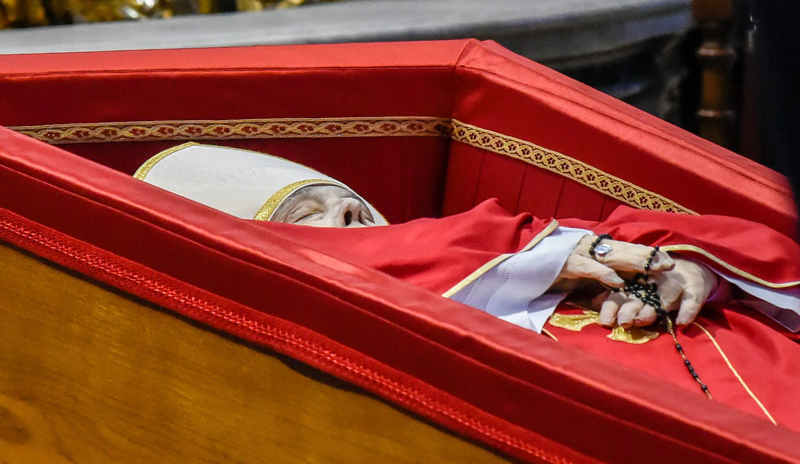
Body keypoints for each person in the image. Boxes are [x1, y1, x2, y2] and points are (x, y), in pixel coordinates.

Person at [135, 142, 800, 430]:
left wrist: (695, 273)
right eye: (306, 222)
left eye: (336, 199)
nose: (341, 217)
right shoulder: (392, 333)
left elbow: (731, 245)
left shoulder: (534, 235)